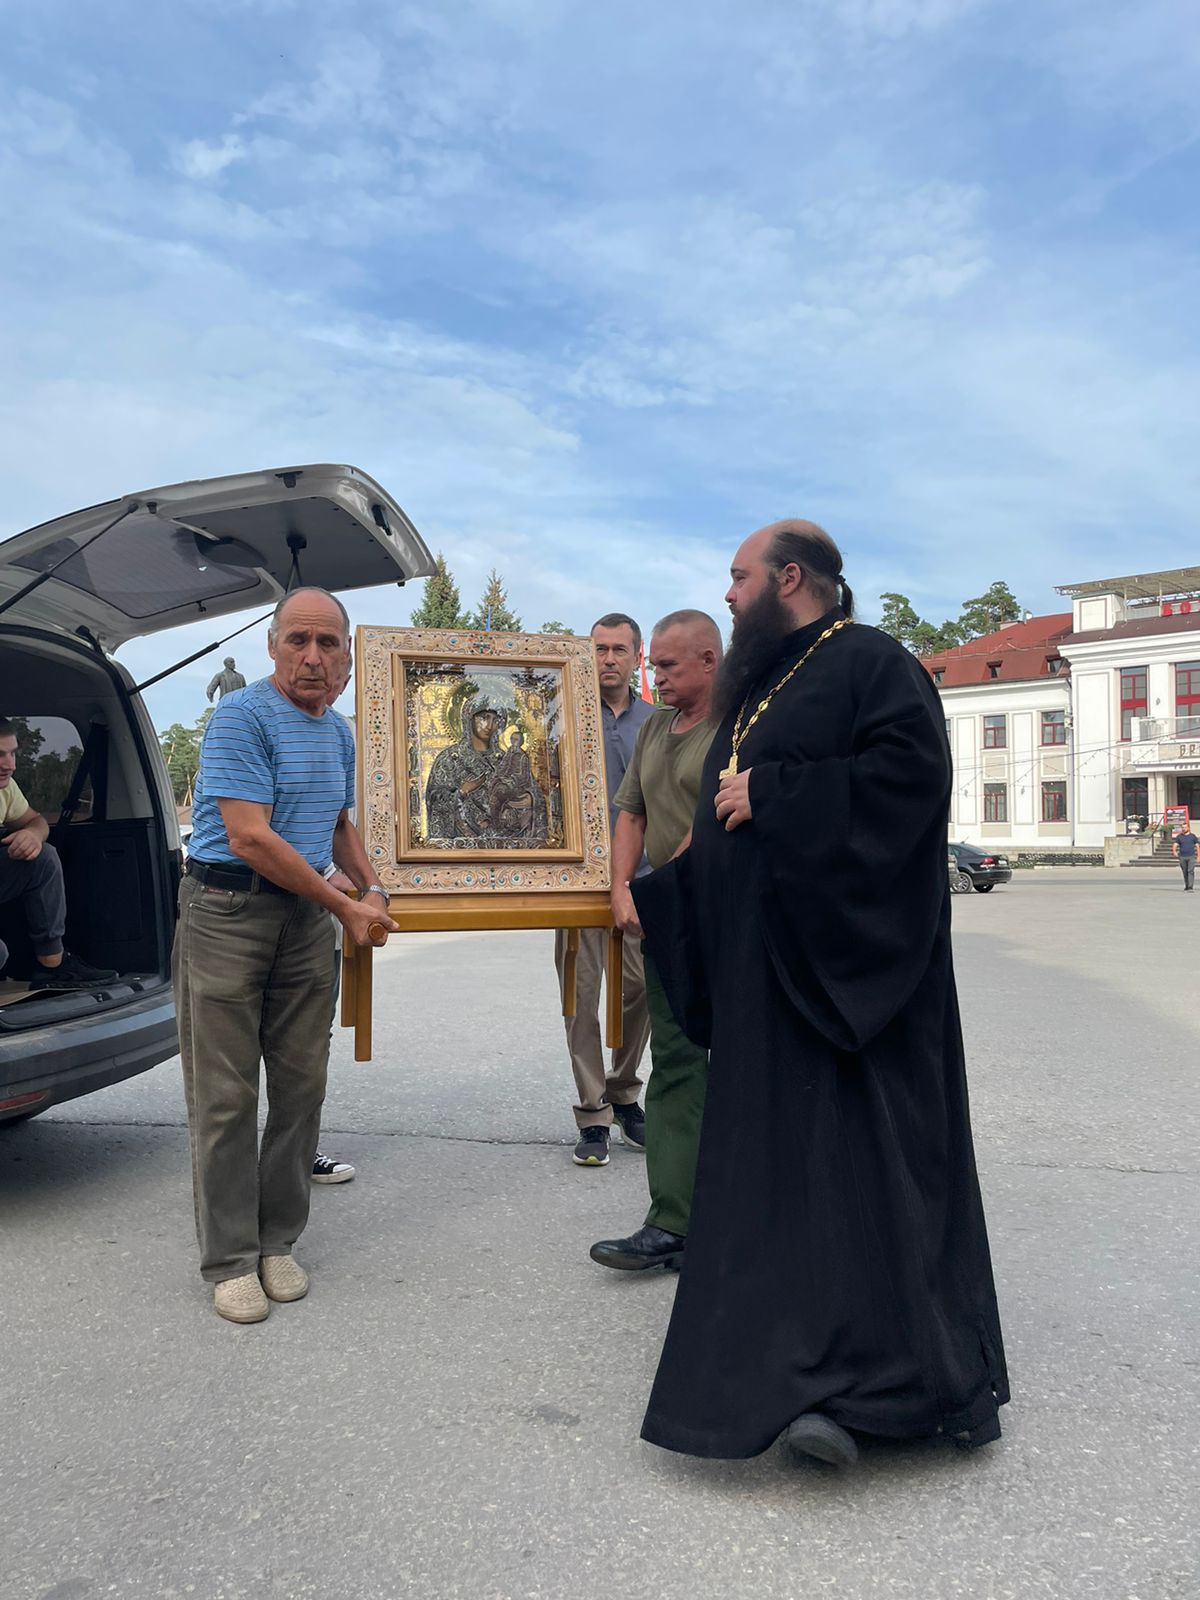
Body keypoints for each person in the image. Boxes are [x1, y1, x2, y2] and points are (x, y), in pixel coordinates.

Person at [631, 520, 1009, 1469]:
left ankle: (883, 1390)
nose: (726, 593)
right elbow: (726, 810)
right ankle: (788, 1372)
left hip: (855, 993)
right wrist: (681, 885)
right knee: (783, 1188)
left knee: (862, 1182)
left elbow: (911, 786)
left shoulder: (876, 664)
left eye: (737, 576)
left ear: (789, 578)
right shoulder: (765, 682)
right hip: (774, 987)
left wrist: (780, 798)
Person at [175, 588, 397, 1324]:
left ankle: (278, 1241)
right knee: (227, 1095)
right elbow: (250, 837)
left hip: (303, 921)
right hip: (227, 913)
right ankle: (232, 1259)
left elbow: (333, 822)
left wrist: (373, 886)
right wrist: (346, 906)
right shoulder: (241, 715)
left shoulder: (337, 733)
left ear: (347, 659)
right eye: (298, 639)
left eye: (328, 643)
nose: (313, 656)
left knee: (302, 1086)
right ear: (273, 646)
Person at [590, 610, 721, 1271]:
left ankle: (747, 1215)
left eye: (668, 666)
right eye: (655, 666)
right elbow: (631, 812)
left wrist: (671, 887)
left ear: (708, 660)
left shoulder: (737, 728)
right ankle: (671, 1221)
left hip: (728, 924)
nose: (656, 676)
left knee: (746, 1065)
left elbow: (715, 824)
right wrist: (621, 888)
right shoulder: (655, 730)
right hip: (668, 918)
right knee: (673, 1063)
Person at [554, 614, 654, 1167]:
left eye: (618, 650)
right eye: (598, 649)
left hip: (640, 882)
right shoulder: (562, 719)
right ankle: (592, 1113)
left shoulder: (657, 723)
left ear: (636, 656)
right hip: (574, 883)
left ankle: (623, 1091)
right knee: (580, 996)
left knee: (638, 993)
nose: (607, 659)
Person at [0, 718, 117, 989]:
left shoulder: (6, 788)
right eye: (0, 755)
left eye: (13, 753)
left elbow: (37, 821)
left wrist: (33, 835)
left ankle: (52, 966)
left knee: (44, 857)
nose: (11, 765)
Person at [425, 698, 503, 844]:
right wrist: (462, 791)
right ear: (469, 718)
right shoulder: (449, 758)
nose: (489, 725)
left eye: (495, 720)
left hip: (502, 843)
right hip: (461, 845)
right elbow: (435, 800)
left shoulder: (504, 760)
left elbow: (528, 796)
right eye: (484, 718)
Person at [1171, 822, 1197, 890]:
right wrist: (1174, 851)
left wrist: (1199, 856)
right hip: (1182, 856)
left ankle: (1190, 886)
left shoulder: (1193, 836)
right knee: (1185, 872)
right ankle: (1187, 885)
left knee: (1190, 871)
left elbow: (1197, 846)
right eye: (1182, 827)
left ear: (1188, 828)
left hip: (1191, 856)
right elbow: (1175, 844)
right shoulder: (1179, 836)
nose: (1184, 829)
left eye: (1185, 827)